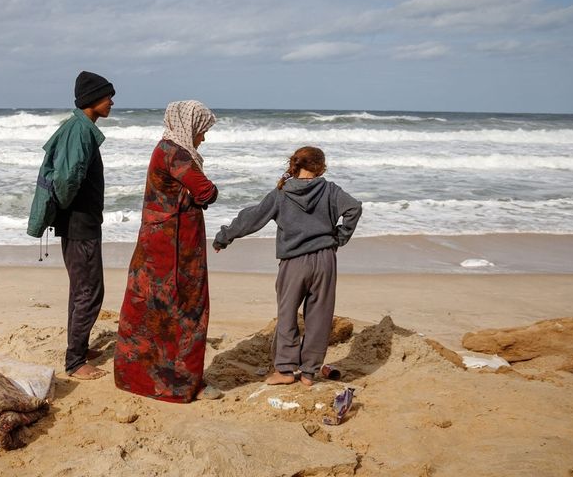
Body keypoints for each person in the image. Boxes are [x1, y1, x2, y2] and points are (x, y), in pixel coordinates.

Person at [213, 146, 362, 386]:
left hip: (294, 262)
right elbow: (354, 208)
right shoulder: (331, 190)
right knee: (319, 316)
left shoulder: (281, 193)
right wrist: (340, 237)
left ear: (296, 165)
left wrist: (224, 237)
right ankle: (308, 372)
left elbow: (251, 218)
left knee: (287, 314)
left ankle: (284, 370)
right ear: (320, 167)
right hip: (325, 259)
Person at [114, 100, 222, 402]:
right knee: (186, 309)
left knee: (147, 308)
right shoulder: (177, 153)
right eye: (202, 130)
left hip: (155, 241)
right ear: (189, 126)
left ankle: (136, 379)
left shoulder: (164, 148)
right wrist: (201, 193)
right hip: (175, 247)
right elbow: (207, 191)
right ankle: (181, 384)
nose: (203, 137)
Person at [26, 70, 115, 380]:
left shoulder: (80, 127)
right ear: (93, 101)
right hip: (81, 223)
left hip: (79, 221)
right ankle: (75, 361)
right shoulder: (80, 131)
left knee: (81, 288)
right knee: (90, 292)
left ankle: (80, 346)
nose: (112, 102)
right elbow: (66, 179)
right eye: (107, 96)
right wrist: (69, 207)